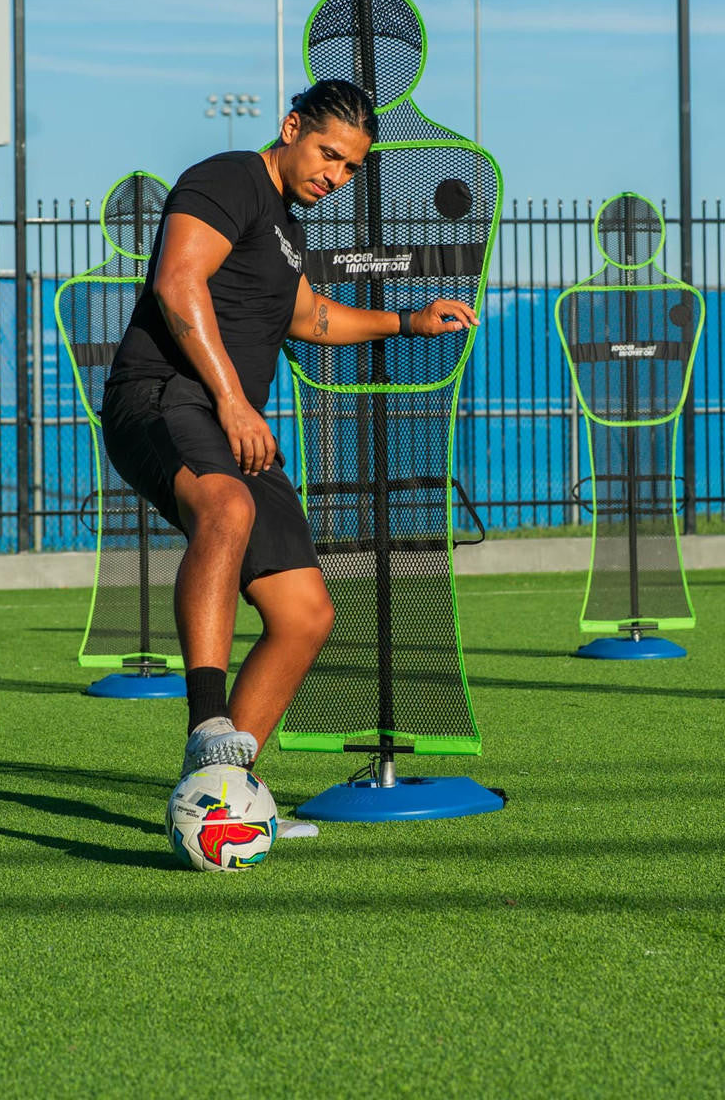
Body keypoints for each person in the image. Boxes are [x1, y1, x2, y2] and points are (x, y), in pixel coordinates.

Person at [101, 79, 477, 802]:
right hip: (164, 396)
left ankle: (223, 793)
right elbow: (178, 282)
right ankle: (208, 724)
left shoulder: (286, 227)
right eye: (329, 155)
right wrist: (233, 400)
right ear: (291, 126)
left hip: (232, 421)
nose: (337, 176)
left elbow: (311, 317)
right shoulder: (227, 178)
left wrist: (407, 321)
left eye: (351, 167)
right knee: (227, 509)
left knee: (305, 615)